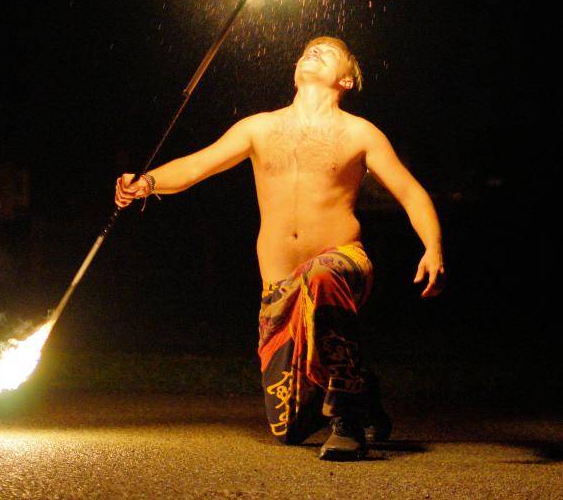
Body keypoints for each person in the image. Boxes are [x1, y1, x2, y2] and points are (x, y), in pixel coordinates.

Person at [115, 36, 444, 461]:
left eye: (328, 52)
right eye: (308, 50)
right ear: (295, 71)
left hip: (342, 265)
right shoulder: (259, 128)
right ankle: (360, 388)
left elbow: (411, 193)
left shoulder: (360, 133)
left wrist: (433, 247)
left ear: (346, 79)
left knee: (320, 274)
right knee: (288, 429)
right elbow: (197, 166)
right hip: (280, 288)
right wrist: (147, 182)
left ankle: (346, 417)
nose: (313, 51)